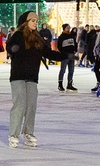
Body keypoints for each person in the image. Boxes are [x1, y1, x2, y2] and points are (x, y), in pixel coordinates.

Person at [5, 11, 61, 147]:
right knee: (20, 105)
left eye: (36, 20)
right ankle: (13, 134)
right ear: (25, 22)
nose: (36, 22)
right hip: (18, 76)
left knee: (31, 106)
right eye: (33, 20)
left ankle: (28, 133)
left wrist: (65, 56)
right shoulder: (18, 35)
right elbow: (9, 47)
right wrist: (13, 48)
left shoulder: (38, 38)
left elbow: (47, 53)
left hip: (32, 77)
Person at [56, 23, 78, 92]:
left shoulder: (71, 36)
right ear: (64, 28)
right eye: (67, 27)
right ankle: (60, 84)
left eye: (69, 27)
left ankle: (69, 84)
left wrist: (75, 50)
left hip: (72, 55)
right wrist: (63, 53)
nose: (68, 29)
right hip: (65, 56)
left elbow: (75, 44)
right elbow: (59, 46)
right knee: (63, 70)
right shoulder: (61, 37)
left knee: (71, 70)